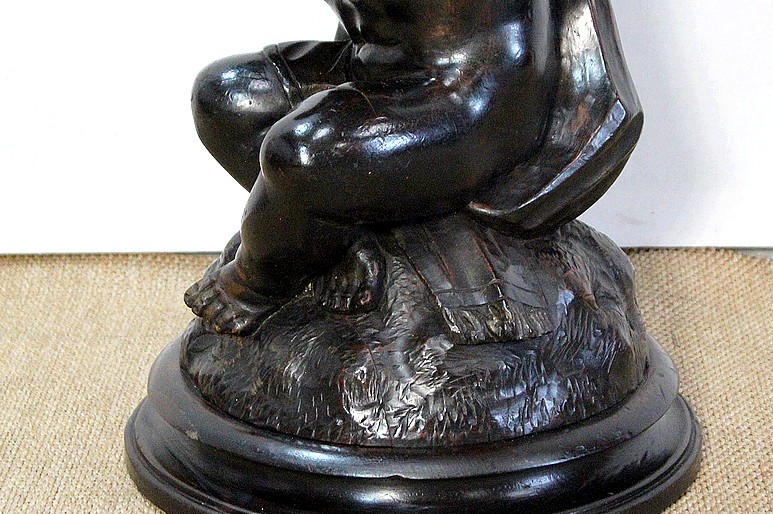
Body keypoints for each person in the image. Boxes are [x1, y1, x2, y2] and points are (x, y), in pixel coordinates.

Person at [186, 0, 558, 334]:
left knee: (303, 154)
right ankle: (333, 239)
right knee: (226, 95)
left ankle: (256, 284)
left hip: (471, 96)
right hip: (374, 65)